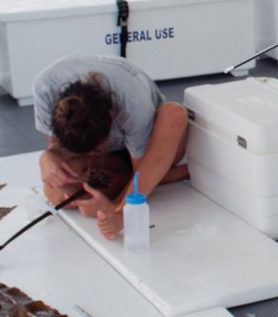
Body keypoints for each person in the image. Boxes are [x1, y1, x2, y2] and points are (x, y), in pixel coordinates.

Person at [34, 54, 189, 240]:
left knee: (174, 114)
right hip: (116, 160)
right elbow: (56, 147)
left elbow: (139, 173)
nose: (92, 155)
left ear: (112, 113)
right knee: (58, 193)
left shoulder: (133, 98)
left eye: (96, 149)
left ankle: (184, 171)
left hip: (151, 150)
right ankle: (161, 176)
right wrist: (47, 157)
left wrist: (120, 211)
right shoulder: (45, 86)